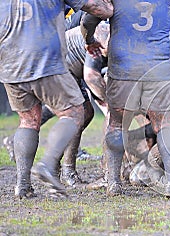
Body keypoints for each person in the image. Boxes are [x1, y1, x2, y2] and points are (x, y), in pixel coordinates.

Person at [81, 0, 170, 197]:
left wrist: (90, 39)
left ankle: (113, 183)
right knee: (166, 125)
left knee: (117, 125)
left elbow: (88, 19)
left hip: (123, 67)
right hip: (157, 68)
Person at [0, 0, 113, 198]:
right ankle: (48, 165)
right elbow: (95, 7)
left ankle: (23, 186)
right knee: (76, 111)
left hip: (9, 59)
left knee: (28, 120)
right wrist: (111, 9)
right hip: (44, 56)